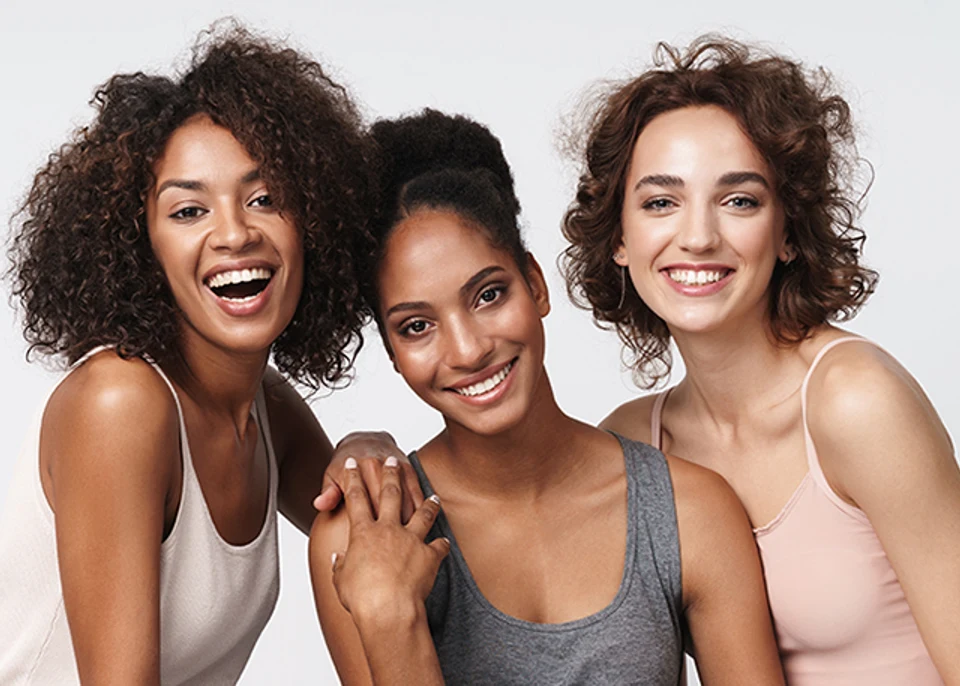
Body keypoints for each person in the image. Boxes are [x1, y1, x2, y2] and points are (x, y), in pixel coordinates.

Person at [309, 109, 786, 685]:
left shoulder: (691, 513)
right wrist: (390, 620)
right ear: (390, 351)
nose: (466, 350)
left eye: (487, 295)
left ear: (535, 284)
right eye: (416, 326)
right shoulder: (361, 538)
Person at [0, 23, 412, 685]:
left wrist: (368, 442)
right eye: (189, 211)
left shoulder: (262, 407)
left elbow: (357, 522)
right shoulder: (121, 403)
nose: (234, 233)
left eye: (265, 198)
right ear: (141, 244)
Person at [561, 35, 960, 684]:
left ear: (787, 232)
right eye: (661, 202)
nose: (697, 236)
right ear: (620, 241)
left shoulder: (855, 401)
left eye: (738, 200)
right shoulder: (635, 446)